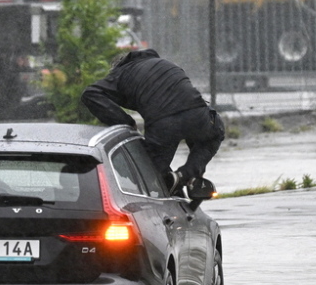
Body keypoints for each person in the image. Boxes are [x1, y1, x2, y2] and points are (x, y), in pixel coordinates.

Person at [80, 48, 224, 195]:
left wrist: (125, 123)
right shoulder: (166, 64)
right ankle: (185, 177)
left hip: (163, 125)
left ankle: (166, 191)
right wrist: (195, 166)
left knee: (150, 173)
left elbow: (90, 94)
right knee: (213, 136)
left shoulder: (122, 72)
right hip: (197, 113)